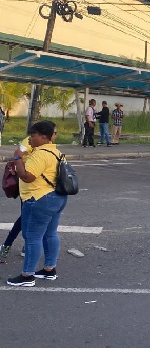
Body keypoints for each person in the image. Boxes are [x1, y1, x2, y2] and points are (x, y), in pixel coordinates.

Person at [6, 121, 67, 287]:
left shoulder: (40, 154)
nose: (30, 139)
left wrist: (18, 157)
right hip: (56, 197)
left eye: (33, 136)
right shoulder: (57, 152)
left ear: (43, 137)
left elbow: (27, 176)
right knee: (50, 234)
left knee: (32, 237)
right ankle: (49, 270)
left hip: (39, 198)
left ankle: (27, 275)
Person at [0, 136, 34, 261]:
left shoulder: (47, 144)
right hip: (27, 187)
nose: (55, 135)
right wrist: (19, 162)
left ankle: (25, 245)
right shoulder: (30, 141)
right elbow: (17, 153)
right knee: (25, 217)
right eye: (54, 132)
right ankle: (7, 245)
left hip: (41, 188)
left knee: (30, 218)